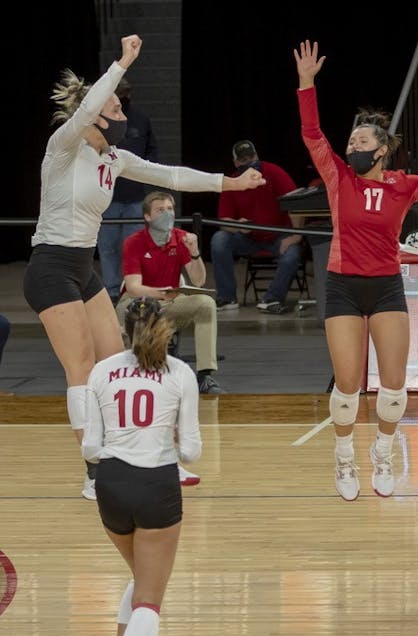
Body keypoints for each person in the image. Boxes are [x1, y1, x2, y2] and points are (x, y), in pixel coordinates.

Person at [22, 34, 264, 501]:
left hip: (81, 267)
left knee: (118, 364)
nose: (123, 117)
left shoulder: (114, 159)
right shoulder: (64, 145)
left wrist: (228, 183)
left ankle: (139, 456)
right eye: (115, 109)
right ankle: (94, 472)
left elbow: (170, 175)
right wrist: (123, 62)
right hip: (50, 265)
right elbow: (91, 103)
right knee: (82, 367)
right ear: (93, 114)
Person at [294, 39, 418, 501]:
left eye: (361, 140)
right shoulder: (338, 177)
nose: (352, 144)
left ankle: (384, 451)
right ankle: (343, 458)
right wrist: (307, 83)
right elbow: (313, 135)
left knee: (393, 388)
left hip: (387, 288)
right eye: (351, 139)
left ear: (381, 151)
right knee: (349, 385)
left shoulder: (403, 185)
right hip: (343, 287)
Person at [83, 297, 201, 636]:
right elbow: (191, 450)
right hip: (156, 486)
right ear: (165, 330)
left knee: (140, 579)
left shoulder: (101, 370)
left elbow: (90, 447)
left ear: (123, 328)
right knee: (150, 598)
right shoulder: (180, 373)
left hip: (110, 486)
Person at [118, 190, 224, 395]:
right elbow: (133, 287)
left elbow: (199, 280)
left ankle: (204, 375)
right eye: (160, 210)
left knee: (205, 304)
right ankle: (131, 374)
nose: (166, 214)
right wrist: (159, 294)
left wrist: (194, 252)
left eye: (169, 209)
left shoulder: (181, 238)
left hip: (171, 300)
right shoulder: (134, 242)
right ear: (148, 217)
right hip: (138, 299)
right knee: (132, 312)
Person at [209, 140, 304, 313]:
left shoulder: (274, 172)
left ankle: (272, 299)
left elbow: (296, 203)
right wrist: (238, 225)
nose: (249, 163)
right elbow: (224, 220)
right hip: (249, 238)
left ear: (257, 156)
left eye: (251, 157)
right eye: (244, 160)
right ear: (236, 162)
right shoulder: (232, 182)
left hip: (279, 235)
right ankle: (227, 297)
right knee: (219, 240)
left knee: (292, 253)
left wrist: (295, 235)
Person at [95, 77, 159, 305]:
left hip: (134, 197)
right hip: (107, 197)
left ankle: (129, 290)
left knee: (132, 248)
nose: (122, 97)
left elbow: (153, 151)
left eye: (125, 92)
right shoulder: (100, 120)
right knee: (108, 247)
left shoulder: (140, 119)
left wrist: (143, 172)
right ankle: (112, 292)